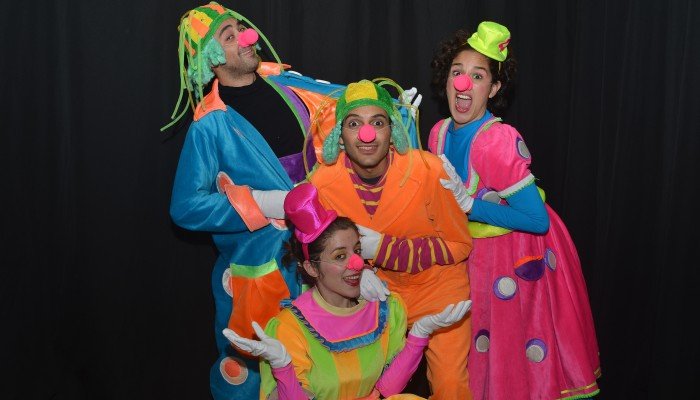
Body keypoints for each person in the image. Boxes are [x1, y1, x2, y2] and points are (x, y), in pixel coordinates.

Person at [164, 3, 391, 398]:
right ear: (212, 59)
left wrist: (390, 109)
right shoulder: (209, 125)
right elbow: (185, 207)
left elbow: (341, 126)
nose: (247, 38)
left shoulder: (289, 86)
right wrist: (259, 203)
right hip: (264, 272)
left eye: (241, 28)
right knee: (255, 371)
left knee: (333, 365)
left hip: (321, 254)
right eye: (230, 37)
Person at [428, 21, 601, 399]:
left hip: (515, 256)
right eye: (457, 72)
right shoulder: (438, 133)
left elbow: (535, 220)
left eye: (478, 76)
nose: (463, 83)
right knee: (470, 351)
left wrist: (469, 205)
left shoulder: (497, 142)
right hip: (470, 253)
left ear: (493, 89)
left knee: (510, 356)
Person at [222, 183, 472, 399]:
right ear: (311, 268)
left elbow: (387, 389)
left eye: (358, 251)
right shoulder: (290, 328)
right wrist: (283, 366)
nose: (357, 263)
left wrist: (419, 335)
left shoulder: (386, 310)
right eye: (340, 256)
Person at [306, 79, 474, 399]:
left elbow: (460, 245)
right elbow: (317, 251)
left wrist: (386, 249)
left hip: (437, 291)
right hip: (375, 298)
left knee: (451, 385)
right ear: (340, 135)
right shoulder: (322, 183)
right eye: (354, 124)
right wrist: (359, 273)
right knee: (362, 386)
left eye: (377, 123)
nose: (366, 135)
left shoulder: (428, 170)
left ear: (392, 131)